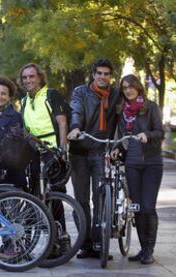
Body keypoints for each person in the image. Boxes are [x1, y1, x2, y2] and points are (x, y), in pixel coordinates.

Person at [67, 59, 120, 259]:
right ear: (93, 74)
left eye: (106, 74)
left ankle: (99, 243)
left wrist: (117, 145)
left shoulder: (116, 94)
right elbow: (76, 110)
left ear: (110, 76)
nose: (103, 77)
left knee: (101, 199)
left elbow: (122, 118)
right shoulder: (81, 92)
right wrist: (75, 128)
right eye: (99, 73)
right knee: (81, 200)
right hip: (80, 151)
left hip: (101, 152)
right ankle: (85, 243)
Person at [19, 63, 70, 257]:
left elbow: (62, 123)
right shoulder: (24, 100)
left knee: (55, 196)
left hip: (52, 150)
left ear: (40, 77)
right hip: (34, 151)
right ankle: (36, 242)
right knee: (35, 195)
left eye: (32, 76)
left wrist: (62, 150)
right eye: (25, 78)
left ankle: (61, 238)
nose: (28, 80)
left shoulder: (51, 95)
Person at [112, 74, 164, 264]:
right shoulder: (122, 111)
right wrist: (117, 150)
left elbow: (160, 132)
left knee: (149, 207)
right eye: (124, 88)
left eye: (130, 86)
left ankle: (149, 249)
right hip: (132, 163)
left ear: (138, 87)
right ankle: (143, 249)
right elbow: (122, 138)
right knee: (137, 207)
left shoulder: (150, 107)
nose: (128, 90)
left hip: (151, 163)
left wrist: (147, 135)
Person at [0, 76, 25, 187]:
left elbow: (14, 142)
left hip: (7, 166)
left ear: (9, 96)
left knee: (7, 200)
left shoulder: (15, 116)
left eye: (3, 94)